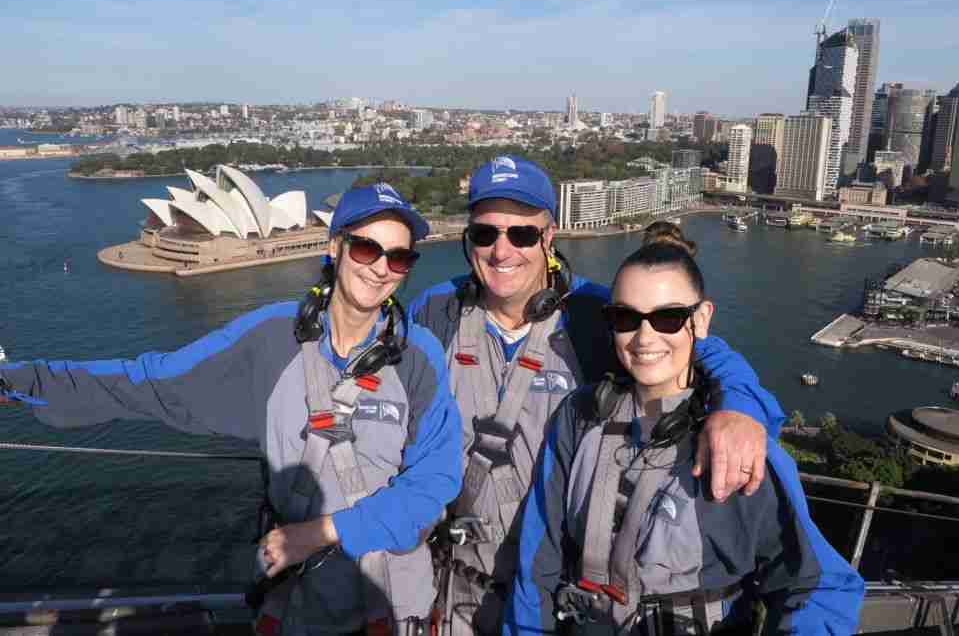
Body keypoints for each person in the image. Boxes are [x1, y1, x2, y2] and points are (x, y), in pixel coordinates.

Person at [0, 182, 463, 636]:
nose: (381, 268)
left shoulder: (417, 354)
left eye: (399, 257)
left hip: (392, 603)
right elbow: (149, 383)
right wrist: (20, 382)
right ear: (334, 247)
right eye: (366, 249)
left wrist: (319, 532)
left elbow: (433, 484)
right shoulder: (270, 339)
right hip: (300, 603)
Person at [408, 157, 786, 636]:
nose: (502, 251)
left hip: (552, 591)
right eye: (485, 234)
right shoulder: (437, 312)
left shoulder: (597, 315)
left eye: (522, 235)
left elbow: (698, 347)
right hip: (454, 584)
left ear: (549, 238)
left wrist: (739, 408)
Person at [504, 224, 864, 636]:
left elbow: (818, 585)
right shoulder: (579, 417)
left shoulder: (737, 446)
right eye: (625, 318)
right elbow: (540, 559)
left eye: (669, 318)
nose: (645, 337)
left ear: (701, 319)